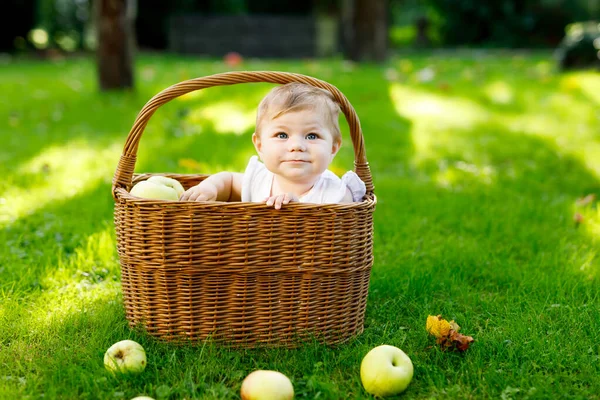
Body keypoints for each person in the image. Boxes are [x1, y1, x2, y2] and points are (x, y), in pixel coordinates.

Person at [179, 82, 366, 209]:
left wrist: (299, 210)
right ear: (260, 145)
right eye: (282, 135)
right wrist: (210, 188)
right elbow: (227, 180)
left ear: (333, 147)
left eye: (312, 136)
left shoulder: (335, 194)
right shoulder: (260, 179)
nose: (296, 146)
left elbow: (339, 228)